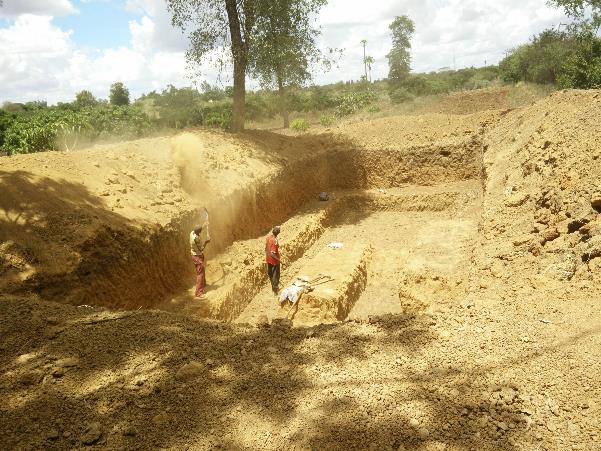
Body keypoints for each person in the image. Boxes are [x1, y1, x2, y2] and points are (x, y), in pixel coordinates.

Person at [190, 223, 210, 298]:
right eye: (200, 230)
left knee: (202, 270)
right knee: (200, 273)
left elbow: (198, 229)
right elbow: (201, 248)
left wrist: (204, 225)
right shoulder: (196, 239)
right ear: (199, 232)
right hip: (197, 256)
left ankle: (203, 284)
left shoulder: (192, 232)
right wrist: (206, 242)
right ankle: (198, 292)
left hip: (196, 255)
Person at [265, 226, 281, 295]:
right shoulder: (275, 241)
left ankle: (273, 284)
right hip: (274, 260)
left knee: (270, 272)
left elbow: (266, 247)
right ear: (278, 233)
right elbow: (272, 253)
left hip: (268, 259)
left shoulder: (268, 237)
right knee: (276, 274)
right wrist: (280, 260)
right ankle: (275, 289)